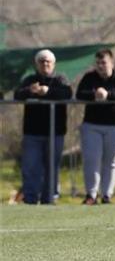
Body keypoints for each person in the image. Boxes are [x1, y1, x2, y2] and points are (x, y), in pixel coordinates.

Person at [14, 49, 73, 205]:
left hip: (55, 132)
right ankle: (30, 199)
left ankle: (49, 199)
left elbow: (67, 94)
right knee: (31, 167)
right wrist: (30, 91)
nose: (45, 64)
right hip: (32, 133)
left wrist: (47, 92)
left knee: (51, 168)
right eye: (42, 61)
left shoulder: (60, 79)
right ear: (36, 64)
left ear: (53, 64)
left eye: (48, 61)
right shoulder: (30, 80)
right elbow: (17, 95)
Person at [76, 49, 115, 205]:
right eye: (98, 63)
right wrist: (95, 94)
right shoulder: (89, 77)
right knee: (91, 160)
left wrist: (108, 95)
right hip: (92, 125)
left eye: (104, 62)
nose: (100, 66)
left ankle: (107, 195)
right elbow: (79, 94)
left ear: (111, 63)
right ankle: (91, 195)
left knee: (111, 161)